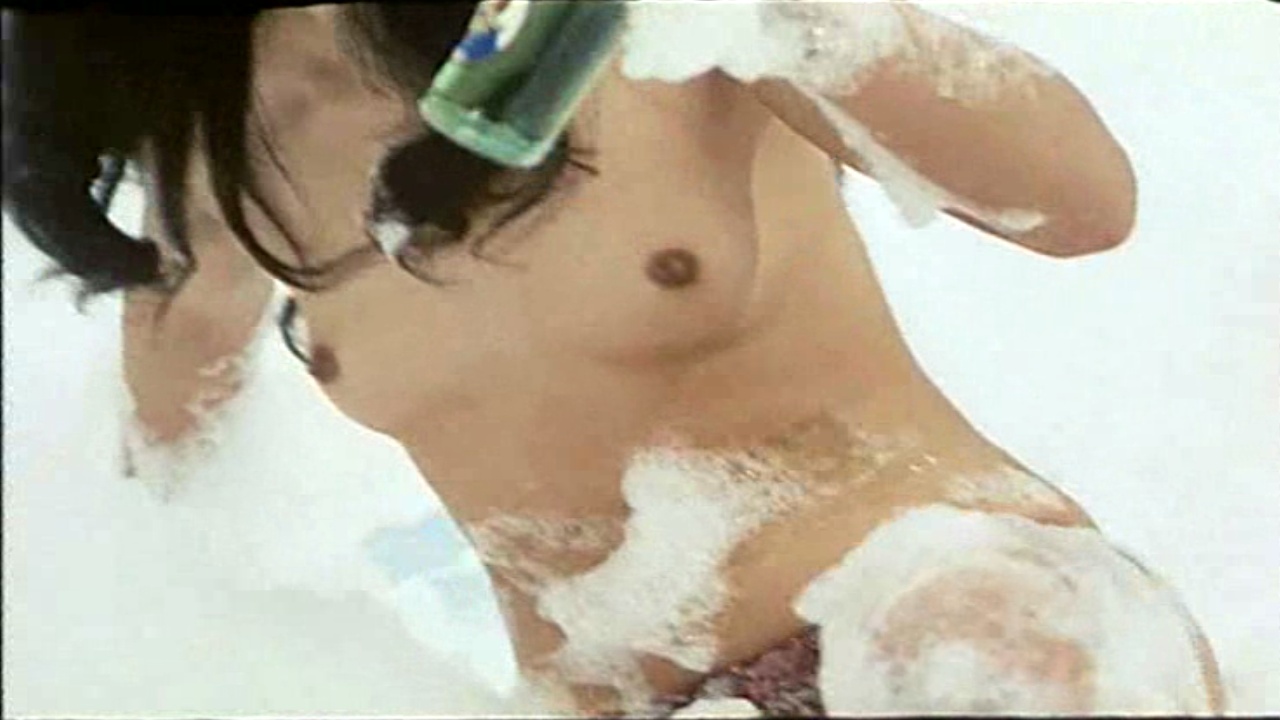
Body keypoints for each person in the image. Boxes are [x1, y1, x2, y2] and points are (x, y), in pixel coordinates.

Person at [2, 2, 1225, 715]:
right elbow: (169, 495)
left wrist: (766, 12)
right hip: (614, 697)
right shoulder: (221, 159)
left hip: (948, 622)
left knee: (986, 649)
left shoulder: (630, 24)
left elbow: (1083, 205)